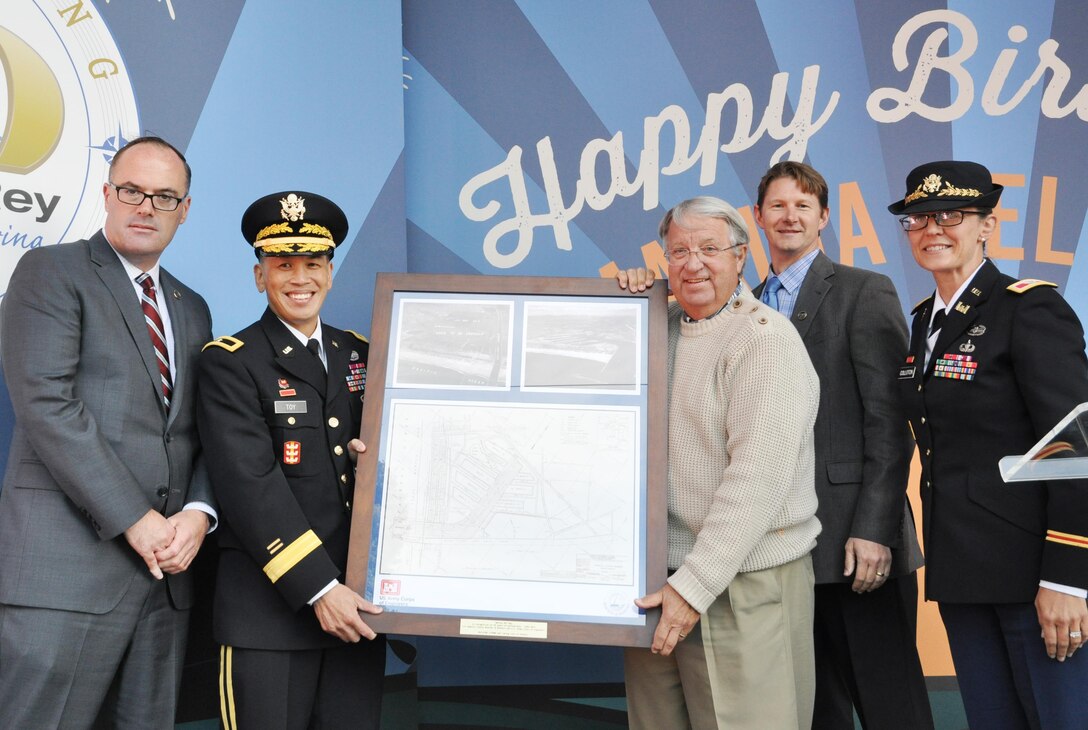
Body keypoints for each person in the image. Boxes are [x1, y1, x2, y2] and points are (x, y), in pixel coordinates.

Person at [0, 136, 215, 728]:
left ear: (185, 210)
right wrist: (137, 519)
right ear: (107, 194)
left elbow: (202, 429)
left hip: (165, 582)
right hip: (65, 574)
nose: (145, 206)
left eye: (164, 196)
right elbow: (47, 404)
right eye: (132, 191)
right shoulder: (50, 270)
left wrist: (197, 512)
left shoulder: (191, 307)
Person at [890, 160, 1088, 729]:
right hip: (962, 572)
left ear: (986, 226)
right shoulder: (926, 319)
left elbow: (1074, 446)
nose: (933, 230)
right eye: (919, 219)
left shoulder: (1028, 308)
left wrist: (1066, 578)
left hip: (1034, 577)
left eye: (951, 215)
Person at [619, 196, 822, 729]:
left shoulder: (763, 340)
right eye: (678, 251)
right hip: (656, 583)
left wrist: (694, 585)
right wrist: (625, 303)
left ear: (740, 257)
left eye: (710, 248)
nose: (692, 263)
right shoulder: (654, 327)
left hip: (741, 583)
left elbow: (757, 480)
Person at [751, 162, 931, 729]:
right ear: (757, 218)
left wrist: (875, 530)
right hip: (780, 550)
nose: (789, 216)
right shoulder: (745, 304)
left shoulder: (863, 290)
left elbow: (888, 422)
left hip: (857, 545)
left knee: (890, 706)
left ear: (824, 218)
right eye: (778, 206)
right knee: (813, 710)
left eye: (803, 206)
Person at [197, 191, 385, 729]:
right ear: (260, 276)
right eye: (282, 264)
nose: (299, 278)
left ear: (330, 272)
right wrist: (321, 589)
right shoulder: (230, 363)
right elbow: (248, 485)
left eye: (313, 263)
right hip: (269, 616)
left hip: (356, 612)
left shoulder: (362, 354)